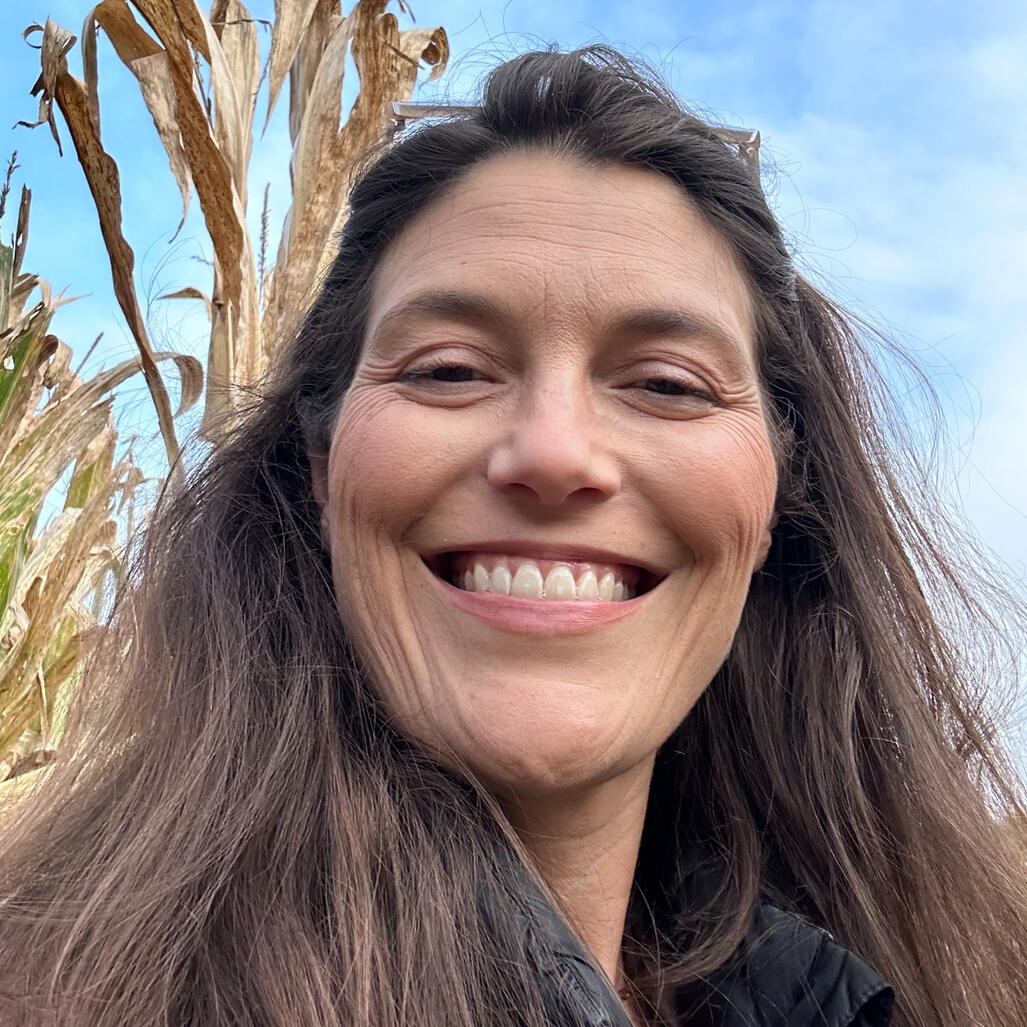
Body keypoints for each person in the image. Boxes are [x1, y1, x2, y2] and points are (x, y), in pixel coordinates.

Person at [1, 44, 1026, 1027]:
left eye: (668, 384)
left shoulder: (925, 972)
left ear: (772, 502)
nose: (553, 451)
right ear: (320, 466)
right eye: (449, 369)